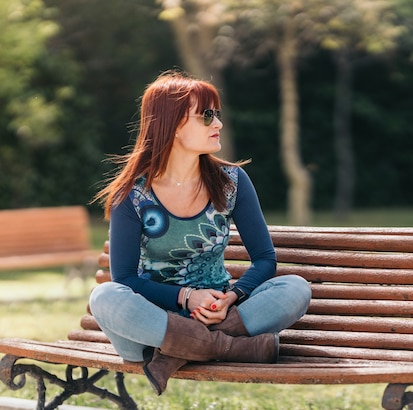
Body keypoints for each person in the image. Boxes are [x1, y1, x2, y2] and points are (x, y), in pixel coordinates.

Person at [89, 70, 312, 395]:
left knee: (295, 289)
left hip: (219, 311)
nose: (218, 124)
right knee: (105, 297)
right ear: (174, 124)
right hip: (151, 322)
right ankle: (233, 347)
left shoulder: (231, 181)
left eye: (217, 115)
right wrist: (186, 297)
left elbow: (265, 259)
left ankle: (175, 354)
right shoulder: (133, 194)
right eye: (207, 116)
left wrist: (232, 297)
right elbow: (124, 279)